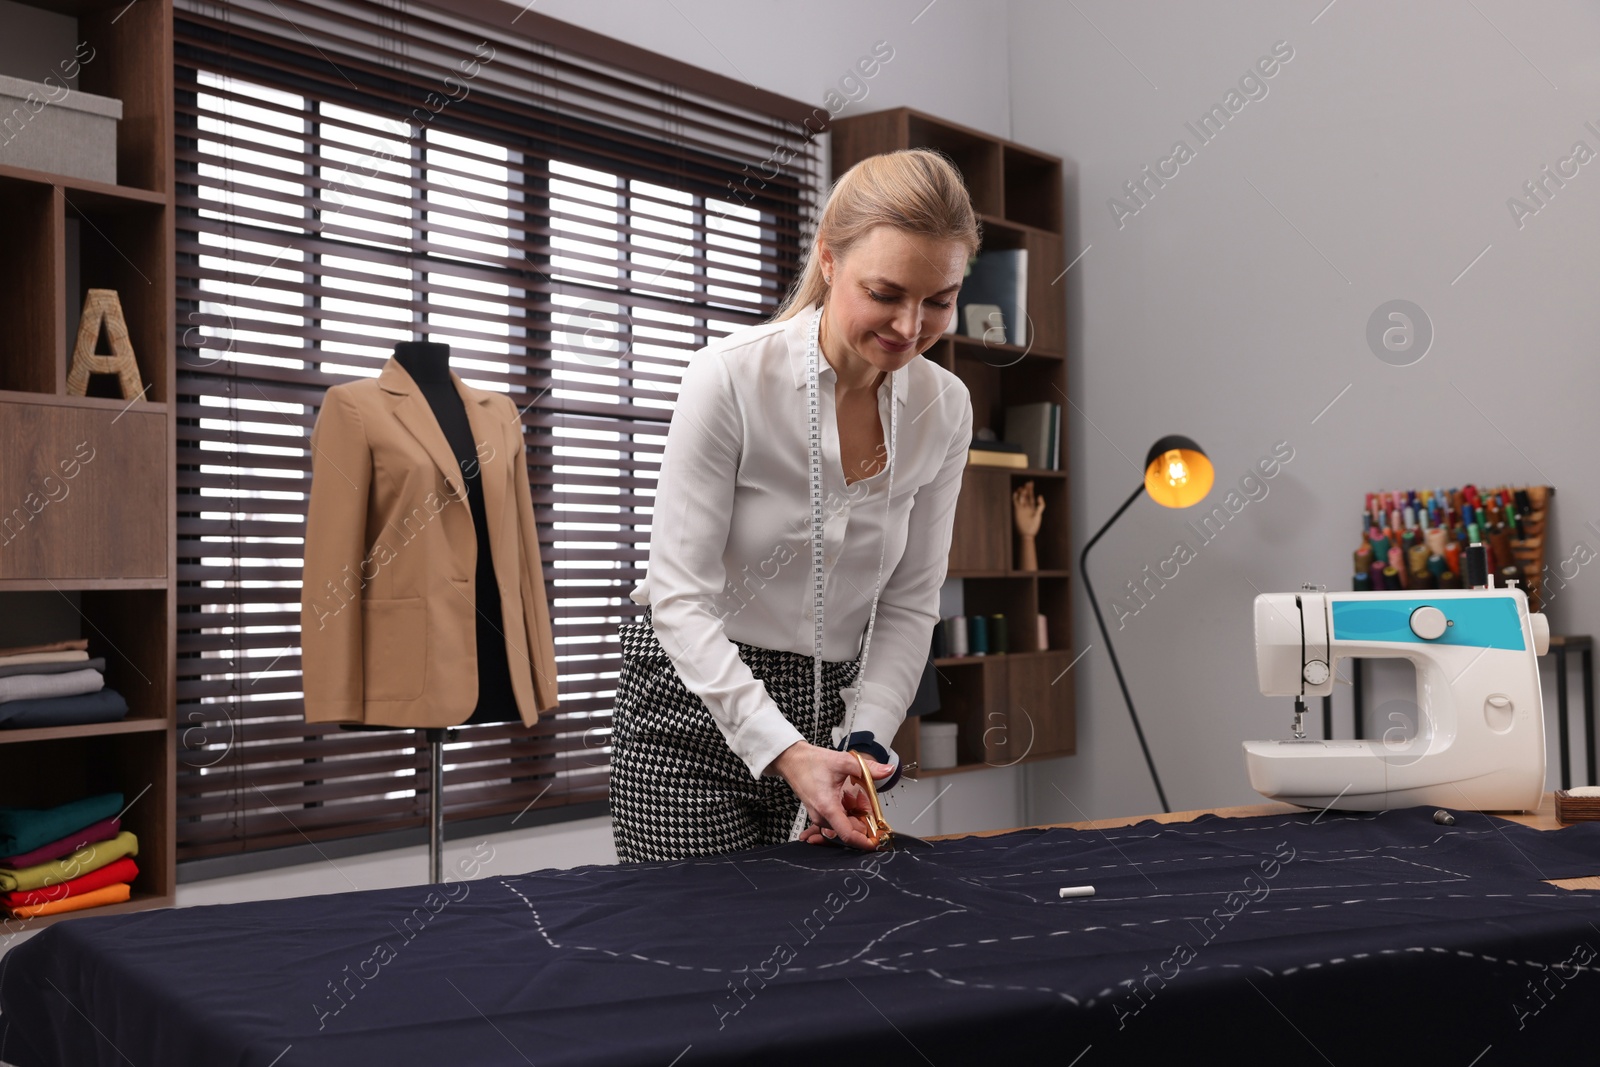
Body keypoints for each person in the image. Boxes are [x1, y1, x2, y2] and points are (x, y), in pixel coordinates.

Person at [609, 149, 978, 862]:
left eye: (938, 300)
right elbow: (678, 599)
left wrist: (865, 737)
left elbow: (909, 601)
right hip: (693, 705)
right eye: (887, 292)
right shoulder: (729, 377)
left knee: (816, 958)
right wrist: (783, 749)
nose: (910, 325)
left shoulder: (945, 408)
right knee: (700, 952)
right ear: (831, 261)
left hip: (832, 711)